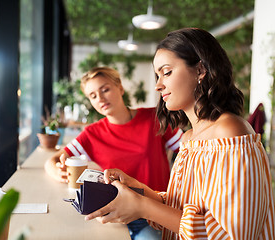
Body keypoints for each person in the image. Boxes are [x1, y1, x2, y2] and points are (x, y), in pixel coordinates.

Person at [85, 28, 275, 239]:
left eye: (166, 72)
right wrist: (138, 190)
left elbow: (232, 235)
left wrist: (142, 207)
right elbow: (184, 208)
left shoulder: (229, 132)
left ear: (201, 70)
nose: (158, 85)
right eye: (157, 75)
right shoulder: (189, 138)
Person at [44, 66, 183, 239]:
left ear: (120, 88)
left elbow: (187, 152)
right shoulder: (92, 134)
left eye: (105, 89)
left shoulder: (154, 118)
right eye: (93, 96)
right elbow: (54, 159)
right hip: (120, 214)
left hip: (160, 209)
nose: (100, 98)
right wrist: (58, 172)